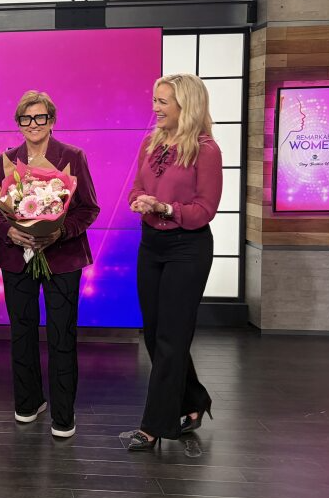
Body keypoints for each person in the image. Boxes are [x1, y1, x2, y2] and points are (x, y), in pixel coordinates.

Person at [0, 91, 100, 438]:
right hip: (16, 258)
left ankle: (63, 414)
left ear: (52, 121)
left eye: (40, 118)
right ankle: (28, 401)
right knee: (21, 332)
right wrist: (12, 231)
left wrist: (59, 233)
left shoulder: (72, 157)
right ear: (18, 123)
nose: (33, 124)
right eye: (26, 119)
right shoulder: (7, 160)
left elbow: (88, 209)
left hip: (62, 259)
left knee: (61, 334)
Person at [126, 74, 222, 450]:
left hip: (188, 247)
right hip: (151, 244)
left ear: (187, 105)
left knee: (171, 337)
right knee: (155, 335)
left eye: (163, 101)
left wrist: (165, 207)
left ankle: (154, 426)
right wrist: (139, 200)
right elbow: (137, 185)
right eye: (155, 99)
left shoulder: (206, 150)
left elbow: (205, 210)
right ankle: (195, 399)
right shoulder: (150, 143)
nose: (155, 107)